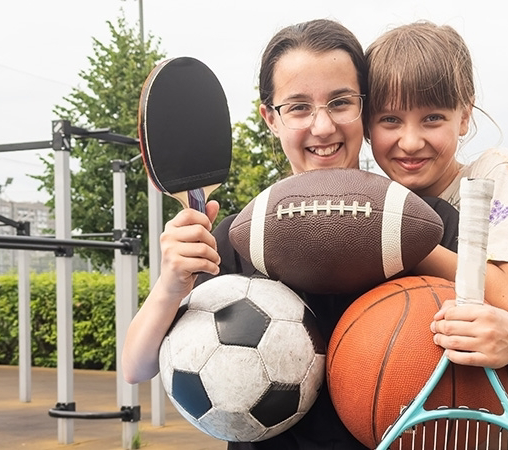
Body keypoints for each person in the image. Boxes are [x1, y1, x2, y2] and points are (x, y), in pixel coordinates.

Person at [122, 18, 372, 449]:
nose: (323, 126)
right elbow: (136, 367)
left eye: (340, 102)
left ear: (364, 108)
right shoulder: (234, 240)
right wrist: (169, 285)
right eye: (298, 107)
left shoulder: (413, 233)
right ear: (270, 119)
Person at [365, 21, 508, 449]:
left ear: (464, 117)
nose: (410, 140)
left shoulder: (493, 175)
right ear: (368, 125)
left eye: (432, 118)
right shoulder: (370, 199)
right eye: (390, 119)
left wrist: (396, 236)